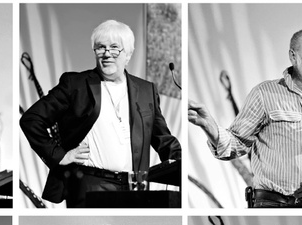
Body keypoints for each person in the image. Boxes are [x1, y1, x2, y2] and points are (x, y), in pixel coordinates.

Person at [20, 20, 181, 207]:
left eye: (114, 48)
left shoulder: (147, 91)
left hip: (136, 185)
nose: (106, 54)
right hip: (90, 184)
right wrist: (59, 155)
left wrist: (180, 162)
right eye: (100, 48)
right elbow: (31, 119)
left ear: (128, 54)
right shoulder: (76, 85)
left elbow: (162, 138)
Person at [188, 28, 302, 207]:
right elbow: (236, 143)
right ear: (293, 56)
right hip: (276, 205)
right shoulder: (265, 93)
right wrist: (209, 126)